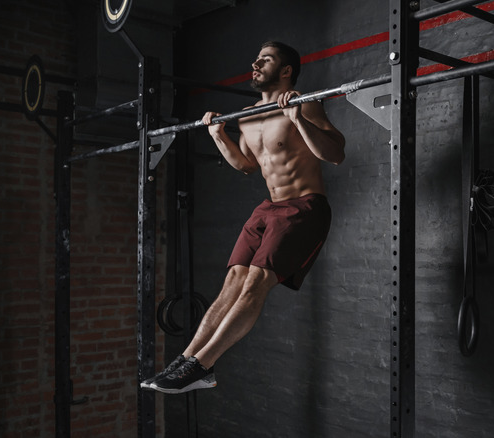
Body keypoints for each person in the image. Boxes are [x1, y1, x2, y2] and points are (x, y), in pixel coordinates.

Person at [141, 41, 345, 394]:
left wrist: (297, 118)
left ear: (285, 71)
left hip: (305, 206)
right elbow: (248, 166)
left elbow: (336, 154)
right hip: (269, 206)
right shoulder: (247, 116)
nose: (255, 63)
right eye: (256, 58)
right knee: (234, 278)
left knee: (256, 282)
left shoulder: (304, 103)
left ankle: (203, 364)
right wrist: (218, 136)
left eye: (265, 59)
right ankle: (189, 360)